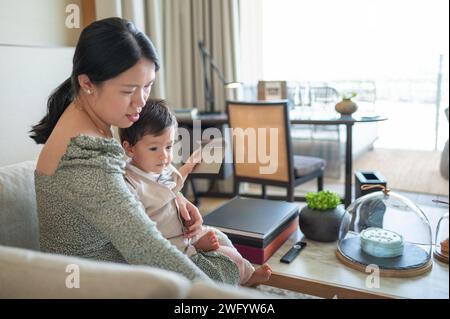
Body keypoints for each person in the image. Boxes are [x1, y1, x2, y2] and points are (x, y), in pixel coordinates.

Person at [29, 17, 240, 284]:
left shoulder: (83, 116)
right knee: (221, 268)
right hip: (97, 281)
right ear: (87, 83)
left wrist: (178, 199)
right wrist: (213, 296)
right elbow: (145, 248)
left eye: (148, 86)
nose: (140, 102)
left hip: (110, 259)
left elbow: (127, 188)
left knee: (216, 241)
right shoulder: (85, 156)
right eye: (129, 90)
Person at [119, 99, 272, 286]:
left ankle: (246, 275)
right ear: (129, 148)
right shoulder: (131, 182)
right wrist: (193, 246)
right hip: (172, 245)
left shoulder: (157, 169)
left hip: (185, 232)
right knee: (231, 259)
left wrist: (191, 163)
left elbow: (174, 185)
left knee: (222, 238)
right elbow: (145, 234)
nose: (164, 156)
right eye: (154, 148)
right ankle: (238, 274)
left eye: (168, 147)